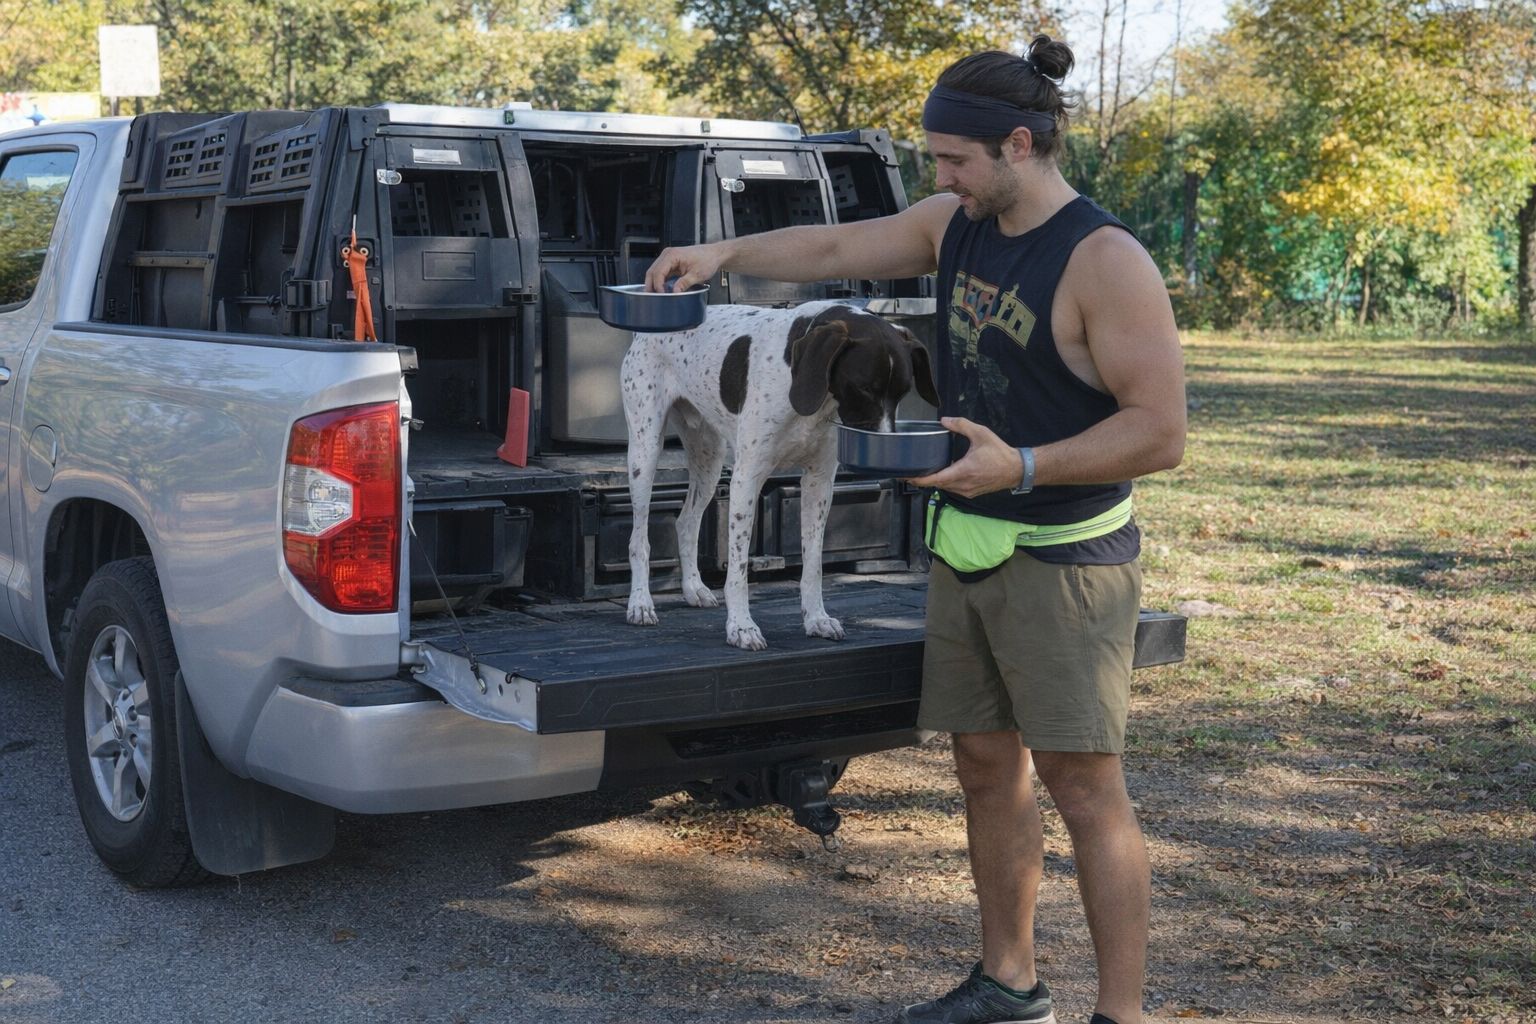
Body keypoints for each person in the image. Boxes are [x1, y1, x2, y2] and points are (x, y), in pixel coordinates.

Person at [645, 35, 1186, 1024]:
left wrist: (1020, 465)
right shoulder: (958, 223)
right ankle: (1009, 981)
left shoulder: (1104, 260)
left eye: (954, 161)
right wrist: (725, 256)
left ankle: (1124, 1014)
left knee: (1083, 784)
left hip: (1063, 556)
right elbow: (838, 249)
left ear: (1020, 145)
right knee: (984, 762)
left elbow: (1160, 432)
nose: (940, 179)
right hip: (967, 539)